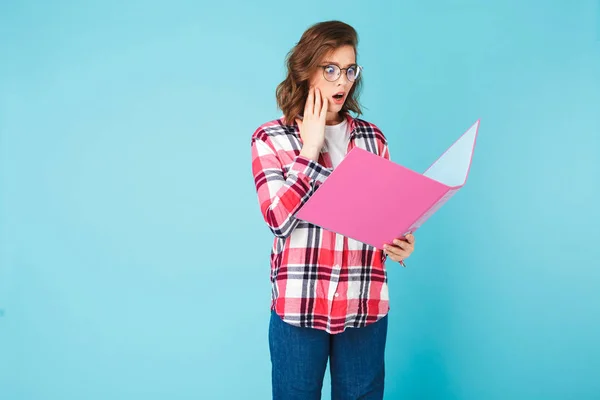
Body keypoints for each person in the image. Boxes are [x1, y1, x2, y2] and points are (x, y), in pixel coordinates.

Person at [250, 20, 416, 400]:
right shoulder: (270, 138)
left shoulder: (373, 139)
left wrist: (402, 242)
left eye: (349, 69)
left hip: (364, 307)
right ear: (306, 71)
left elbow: (386, 218)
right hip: (300, 308)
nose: (342, 81)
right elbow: (278, 220)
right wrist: (309, 150)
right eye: (330, 69)